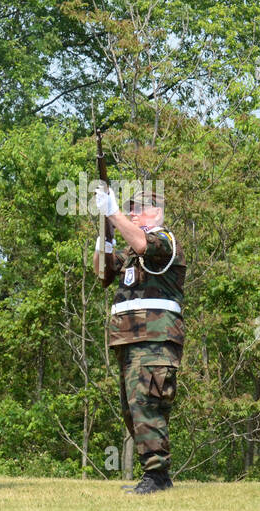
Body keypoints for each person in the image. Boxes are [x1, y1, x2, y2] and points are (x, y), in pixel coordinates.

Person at [93, 188, 184, 494]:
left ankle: (157, 476)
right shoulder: (133, 254)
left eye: (137, 208)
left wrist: (114, 212)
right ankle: (154, 473)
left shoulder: (164, 241)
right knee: (132, 408)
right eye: (128, 208)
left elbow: (143, 243)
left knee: (148, 404)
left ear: (156, 210)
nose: (131, 212)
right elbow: (102, 272)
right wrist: (105, 229)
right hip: (130, 341)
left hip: (155, 340)